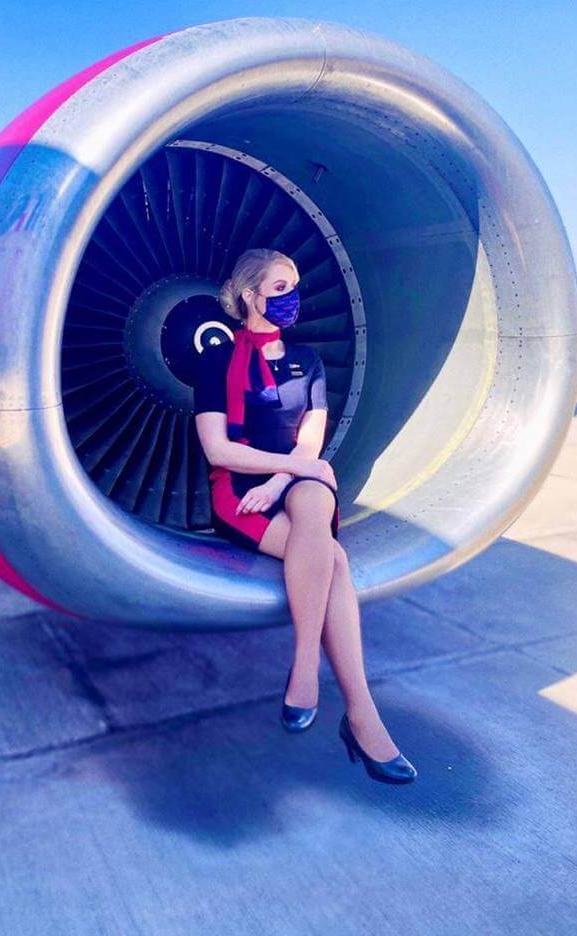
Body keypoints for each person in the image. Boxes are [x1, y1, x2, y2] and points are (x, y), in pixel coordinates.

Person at [193, 248, 417, 784]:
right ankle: (361, 715)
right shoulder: (216, 362)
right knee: (332, 559)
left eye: (293, 286)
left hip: (289, 483)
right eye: (278, 288)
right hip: (238, 492)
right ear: (249, 295)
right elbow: (218, 451)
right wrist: (287, 472)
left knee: (315, 496)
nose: (290, 297)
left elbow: (311, 443)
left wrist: (281, 479)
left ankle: (304, 667)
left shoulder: (308, 361)